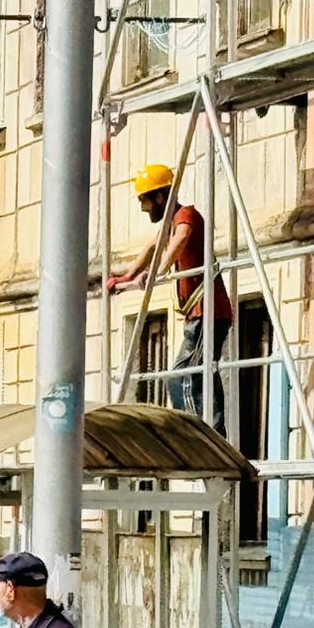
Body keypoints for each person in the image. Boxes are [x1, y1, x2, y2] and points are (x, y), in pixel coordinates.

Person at [106, 162, 233, 432]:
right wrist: (126, 276)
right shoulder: (171, 223)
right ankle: (213, 432)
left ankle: (198, 434)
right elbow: (152, 247)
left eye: (144, 200)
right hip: (199, 313)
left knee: (181, 377)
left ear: (159, 197)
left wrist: (157, 272)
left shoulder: (186, 216)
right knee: (200, 373)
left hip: (207, 311)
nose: (143, 208)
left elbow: (181, 238)